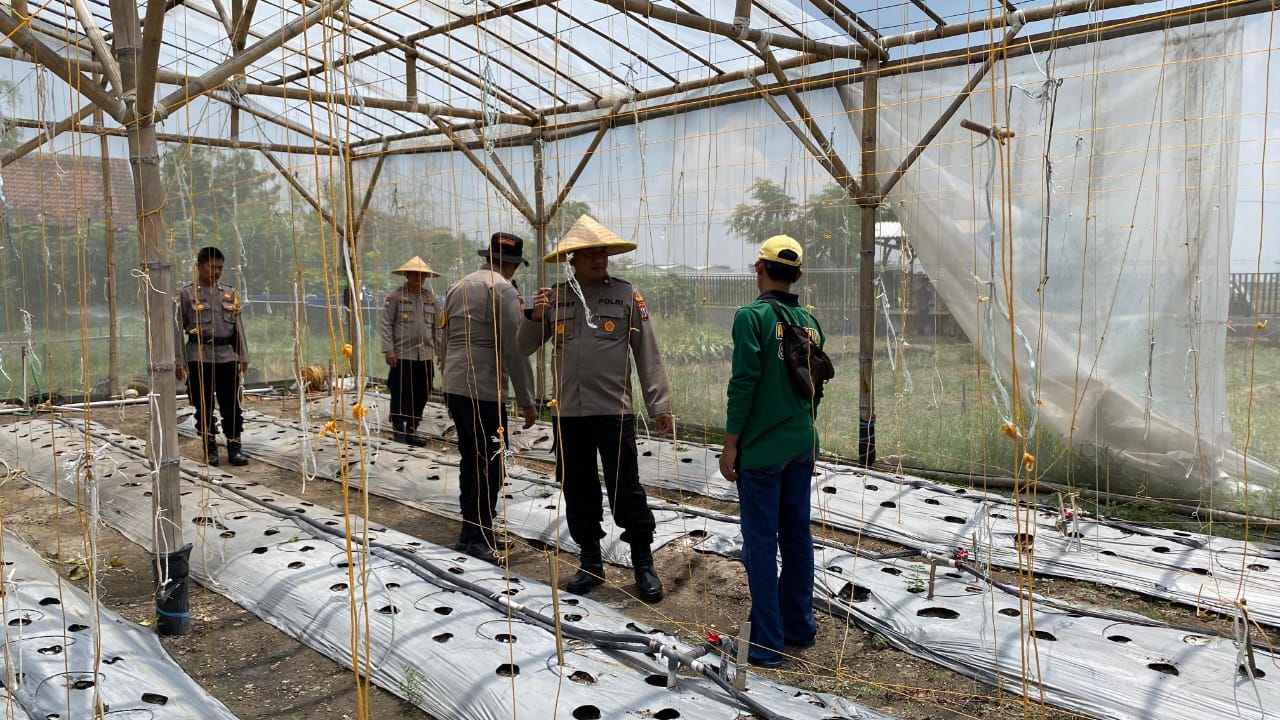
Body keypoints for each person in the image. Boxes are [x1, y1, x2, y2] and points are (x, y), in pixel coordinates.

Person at [519, 215, 671, 603]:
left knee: (626, 490)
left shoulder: (625, 296)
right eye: (590, 253)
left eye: (602, 251)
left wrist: (660, 404)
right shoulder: (554, 298)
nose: (599, 258)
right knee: (578, 488)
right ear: (573, 258)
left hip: (613, 411)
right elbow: (523, 347)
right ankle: (590, 562)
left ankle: (642, 562)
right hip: (569, 414)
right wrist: (534, 318)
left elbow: (647, 353)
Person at [717, 234, 824, 668]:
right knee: (797, 535)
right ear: (797, 275)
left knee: (760, 542)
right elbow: (814, 388)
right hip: (801, 443)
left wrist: (730, 445)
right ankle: (799, 626)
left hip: (762, 451)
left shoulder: (752, 317)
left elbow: (743, 384)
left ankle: (765, 642)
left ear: (759, 268)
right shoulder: (809, 322)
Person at [441, 232, 538, 563]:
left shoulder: (458, 286)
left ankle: (472, 532)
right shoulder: (504, 290)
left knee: (472, 459)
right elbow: (516, 346)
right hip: (483, 388)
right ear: (511, 264)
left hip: (456, 384)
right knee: (491, 461)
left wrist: (446, 381)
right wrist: (528, 397)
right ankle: (480, 534)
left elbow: (445, 340)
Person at [175, 246, 249, 467]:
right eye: (212, 267)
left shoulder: (229, 294)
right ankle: (210, 448)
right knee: (203, 405)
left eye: (220, 268)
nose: (216, 272)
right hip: (199, 357)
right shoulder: (187, 295)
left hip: (227, 356)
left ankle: (235, 447)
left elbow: (238, 327)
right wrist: (180, 361)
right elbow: (177, 330)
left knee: (232, 405)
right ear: (199, 266)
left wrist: (243, 355)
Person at [380, 256, 441, 446]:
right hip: (402, 355)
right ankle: (399, 430)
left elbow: (437, 328)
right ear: (407, 275)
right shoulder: (395, 297)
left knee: (422, 392)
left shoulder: (431, 299)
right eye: (414, 274)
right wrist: (389, 350)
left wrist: (441, 352)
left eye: (422, 274)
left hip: (424, 356)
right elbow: (386, 324)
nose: (418, 277)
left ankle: (413, 430)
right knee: (400, 392)